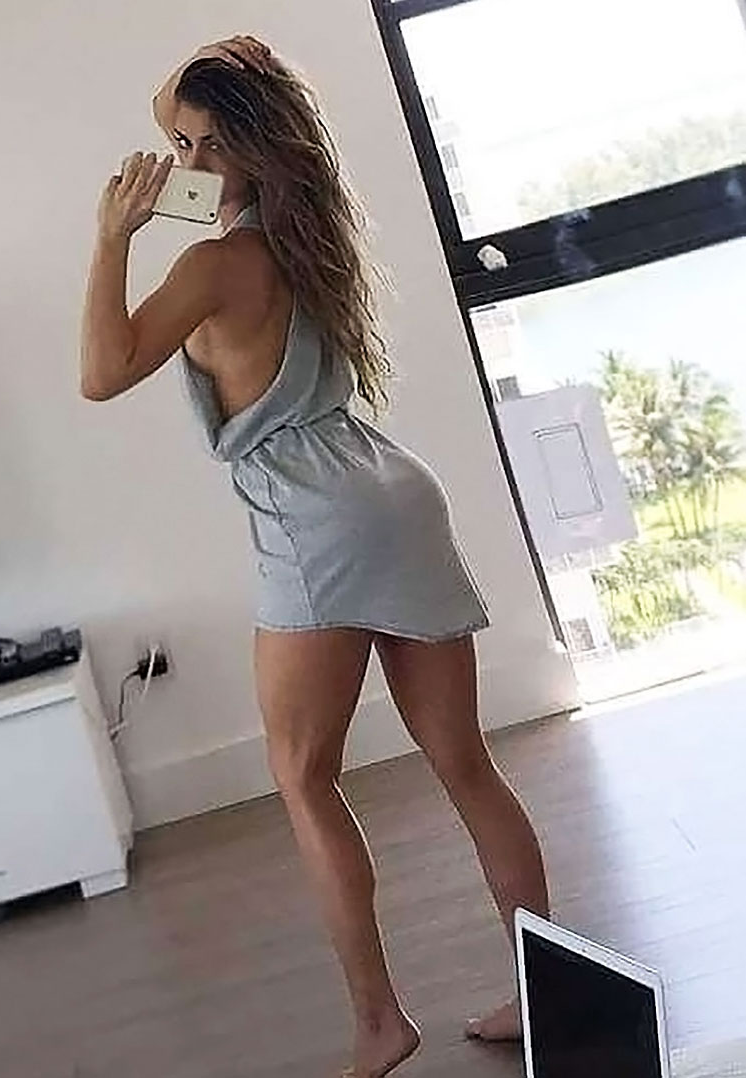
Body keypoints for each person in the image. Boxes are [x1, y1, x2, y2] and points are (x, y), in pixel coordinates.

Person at [79, 35, 550, 1078]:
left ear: (249, 150)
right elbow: (179, 109)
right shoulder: (311, 232)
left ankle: (380, 1022)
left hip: (312, 520)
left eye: (203, 146)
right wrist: (220, 69)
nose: (183, 163)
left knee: (302, 776)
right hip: (390, 489)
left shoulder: (210, 265)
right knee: (463, 761)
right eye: (181, 145)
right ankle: (547, 990)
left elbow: (102, 373)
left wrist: (112, 237)